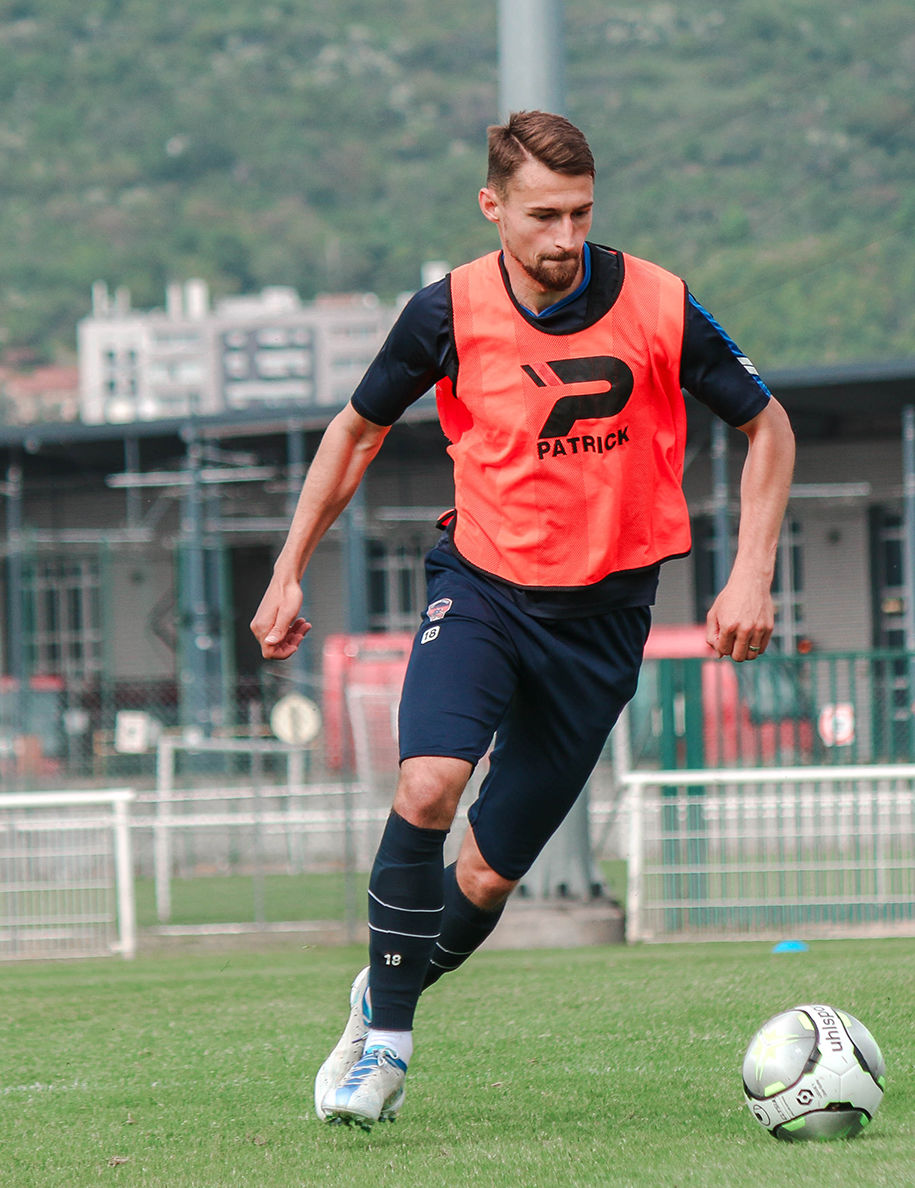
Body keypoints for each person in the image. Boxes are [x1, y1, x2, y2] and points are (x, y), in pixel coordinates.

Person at [251, 111, 795, 1129]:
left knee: (489, 874)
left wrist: (750, 572)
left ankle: (381, 989)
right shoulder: (443, 312)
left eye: (581, 213)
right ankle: (387, 1051)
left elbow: (768, 427)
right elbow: (355, 433)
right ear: (491, 206)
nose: (564, 237)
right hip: (483, 587)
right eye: (542, 215)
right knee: (427, 785)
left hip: (603, 620)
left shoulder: (658, 302)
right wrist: (288, 571)